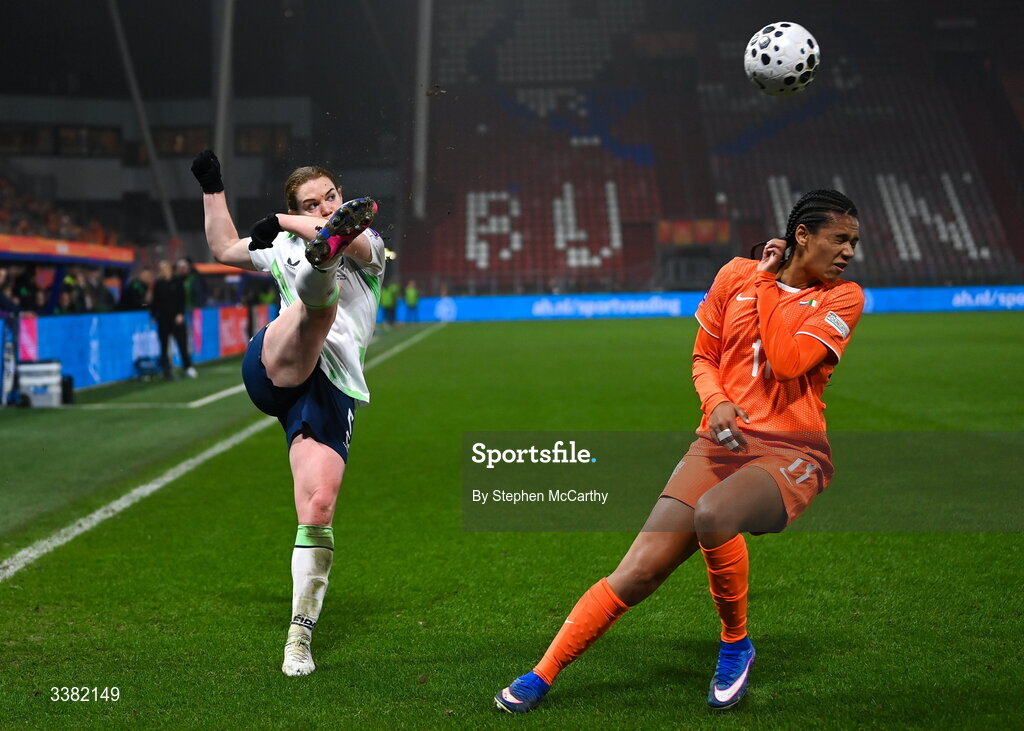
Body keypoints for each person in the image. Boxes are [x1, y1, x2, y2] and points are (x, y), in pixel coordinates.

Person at [495, 189, 864, 713]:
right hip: (721, 442)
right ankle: (543, 672)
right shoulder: (733, 273)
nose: (849, 251)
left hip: (790, 450)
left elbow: (785, 361)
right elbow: (703, 355)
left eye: (853, 241)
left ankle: (736, 644)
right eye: (840, 238)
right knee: (638, 571)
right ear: (803, 235)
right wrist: (715, 401)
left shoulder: (842, 297)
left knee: (715, 514)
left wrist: (768, 281)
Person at [191, 149, 384, 677]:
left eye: (330, 199)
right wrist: (213, 188)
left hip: (331, 388)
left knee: (319, 505)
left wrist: (282, 219)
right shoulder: (280, 248)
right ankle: (320, 266)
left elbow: (356, 239)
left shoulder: (372, 247)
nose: (323, 207)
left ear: (342, 200)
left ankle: (299, 637)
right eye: (310, 203)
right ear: (297, 208)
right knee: (310, 310)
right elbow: (224, 247)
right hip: (276, 364)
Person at [150, 260, 197, 379]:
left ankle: (187, 367)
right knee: (164, 345)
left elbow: (182, 299)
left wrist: (181, 313)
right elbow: (155, 301)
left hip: (177, 318)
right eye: (161, 269)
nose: (163, 271)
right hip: (163, 318)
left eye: (165, 269)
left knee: (182, 343)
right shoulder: (158, 284)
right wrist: (153, 315)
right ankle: (167, 369)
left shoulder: (177, 282)